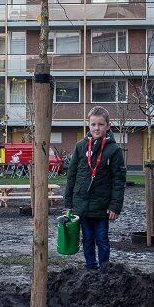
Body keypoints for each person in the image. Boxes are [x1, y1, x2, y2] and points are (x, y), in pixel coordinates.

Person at [64, 106, 126, 271]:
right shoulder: (80, 146)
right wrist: (68, 203)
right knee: (87, 239)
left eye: (100, 124)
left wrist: (115, 206)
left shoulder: (114, 150)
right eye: (93, 124)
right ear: (88, 125)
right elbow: (72, 176)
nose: (96, 128)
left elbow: (119, 180)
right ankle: (90, 268)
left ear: (108, 126)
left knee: (102, 239)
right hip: (82, 204)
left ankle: (104, 269)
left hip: (102, 206)